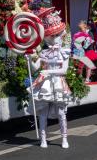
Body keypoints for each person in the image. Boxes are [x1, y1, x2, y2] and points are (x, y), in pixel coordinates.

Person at [30, 8, 72, 149]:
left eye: (56, 35)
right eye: (51, 36)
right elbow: (35, 68)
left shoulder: (64, 52)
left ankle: (64, 138)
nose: (54, 38)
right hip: (46, 84)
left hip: (57, 81)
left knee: (61, 112)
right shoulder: (44, 52)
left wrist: (48, 72)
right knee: (43, 112)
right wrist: (29, 58)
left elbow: (64, 70)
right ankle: (43, 139)